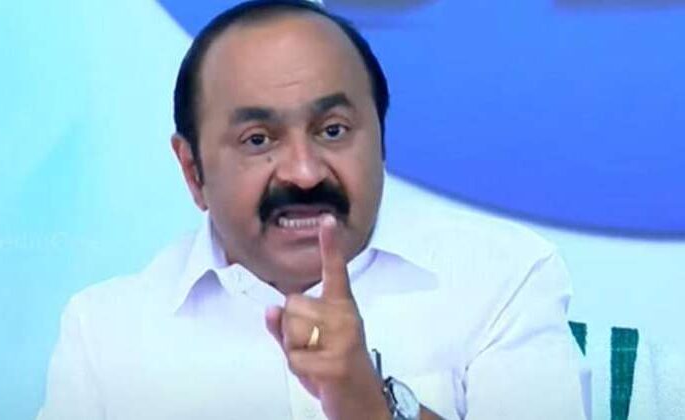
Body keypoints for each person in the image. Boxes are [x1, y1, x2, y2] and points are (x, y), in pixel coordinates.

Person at [37, 1, 588, 419]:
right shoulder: (107, 332)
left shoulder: (499, 278)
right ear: (192, 170)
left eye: (333, 130)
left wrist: (370, 405)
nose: (304, 172)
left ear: (381, 139)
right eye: (258, 140)